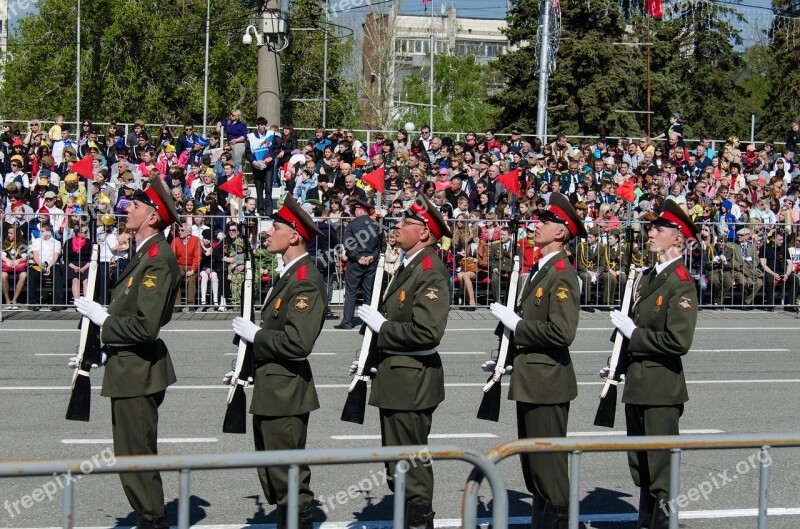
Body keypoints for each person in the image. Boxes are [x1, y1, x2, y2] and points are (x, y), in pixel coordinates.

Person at [74, 179, 181, 529]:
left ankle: (152, 519)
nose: (128, 209)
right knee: (129, 451)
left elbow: (146, 326)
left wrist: (103, 320)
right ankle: (147, 515)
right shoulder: (145, 253)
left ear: (152, 217)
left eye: (135, 205)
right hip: (127, 365)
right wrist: (104, 351)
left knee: (136, 453)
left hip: (139, 372)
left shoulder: (158, 259)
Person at [488, 193, 586, 529]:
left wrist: (517, 325)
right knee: (534, 471)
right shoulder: (540, 270)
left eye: (545, 221)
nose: (536, 223)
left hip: (547, 384)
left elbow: (561, 332)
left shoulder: (561, 274)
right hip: (532, 380)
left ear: (561, 233)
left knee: (549, 471)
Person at [229, 194, 326, 529]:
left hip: (286, 393)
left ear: (295, 236)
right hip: (272, 387)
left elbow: (298, 343)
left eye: (276, 227)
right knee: (275, 473)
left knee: (288, 477)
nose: (267, 233)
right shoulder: (288, 274)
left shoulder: (304, 280)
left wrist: (257, 337)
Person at [356, 192, 451, 529]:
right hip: (396, 378)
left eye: (404, 223)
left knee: (412, 462)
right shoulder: (408, 265)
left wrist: (383, 327)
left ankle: (419, 522)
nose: (396, 226)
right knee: (398, 461)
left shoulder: (429, 271)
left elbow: (426, 333)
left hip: (412, 381)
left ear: (424, 232)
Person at [607, 199, 699, 529]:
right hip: (638, 385)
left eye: (658, 228)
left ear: (678, 238)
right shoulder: (647, 277)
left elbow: (678, 342)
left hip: (661, 389)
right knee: (642, 467)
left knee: (661, 471)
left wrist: (635, 334)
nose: (651, 232)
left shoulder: (680, 282)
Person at [335, 198, 383, 329]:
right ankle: (368, 323)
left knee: (351, 292)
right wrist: (371, 257)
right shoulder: (377, 226)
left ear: (360, 210)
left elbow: (348, 245)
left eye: (355, 209)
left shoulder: (352, 225)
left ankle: (347, 322)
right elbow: (380, 247)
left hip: (355, 263)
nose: (354, 212)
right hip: (370, 263)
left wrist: (358, 257)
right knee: (369, 293)